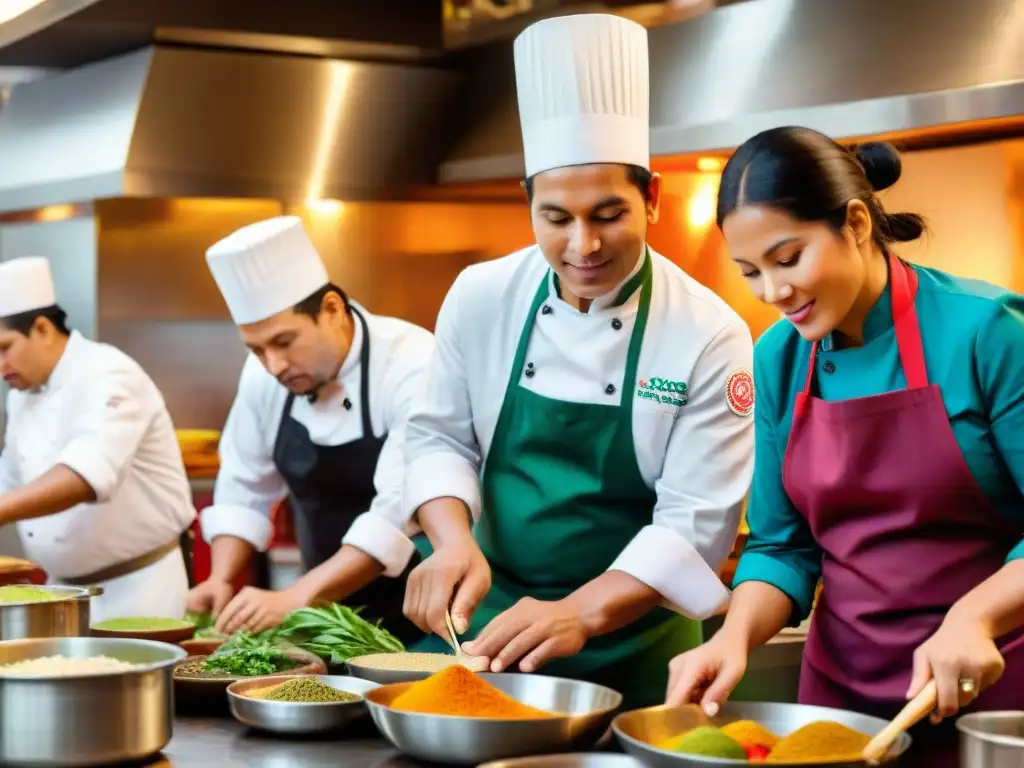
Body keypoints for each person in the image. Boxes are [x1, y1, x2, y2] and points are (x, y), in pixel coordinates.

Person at [401, 13, 755, 708]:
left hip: (635, 644)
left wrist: (581, 614)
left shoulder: (709, 333)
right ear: (528, 205)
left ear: (652, 197)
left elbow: (696, 525)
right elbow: (438, 435)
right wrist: (449, 541)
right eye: (557, 218)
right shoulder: (480, 296)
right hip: (483, 633)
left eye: (608, 213)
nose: (583, 245)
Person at [665, 127, 1024, 760]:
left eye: (789, 257)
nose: (773, 292)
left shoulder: (987, 333)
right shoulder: (776, 359)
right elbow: (783, 546)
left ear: (855, 223)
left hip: (988, 696)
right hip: (838, 704)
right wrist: (733, 639)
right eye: (750, 271)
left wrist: (976, 617)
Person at [187, 216, 434, 642]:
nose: (273, 365)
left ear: (333, 310)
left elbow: (395, 515)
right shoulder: (264, 373)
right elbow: (245, 484)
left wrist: (295, 596)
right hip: (324, 614)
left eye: (284, 342)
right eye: (256, 349)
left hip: (421, 611)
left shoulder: (411, 363)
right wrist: (221, 579)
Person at [0, 256, 195, 622]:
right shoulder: (21, 396)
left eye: (4, 347)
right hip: (60, 593)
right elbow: (9, 481)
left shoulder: (108, 372)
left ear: (41, 328)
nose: (0, 365)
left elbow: (85, 476)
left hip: (139, 591)